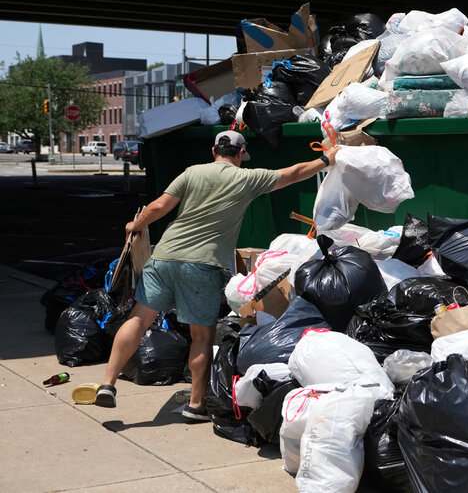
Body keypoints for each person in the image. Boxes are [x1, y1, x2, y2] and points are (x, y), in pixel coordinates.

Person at [94, 130, 339, 420]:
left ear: (213, 151)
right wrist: (326, 159)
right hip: (203, 265)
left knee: (138, 319)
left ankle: (108, 383)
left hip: (164, 257)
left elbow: (159, 206)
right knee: (201, 335)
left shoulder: (192, 172)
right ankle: (196, 405)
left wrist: (135, 224)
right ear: (240, 154)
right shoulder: (247, 178)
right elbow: (293, 173)